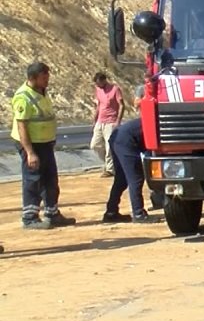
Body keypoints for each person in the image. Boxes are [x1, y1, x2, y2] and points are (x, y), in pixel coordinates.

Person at [11, 62, 75, 229]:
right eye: (44, 78)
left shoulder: (42, 92)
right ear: (33, 78)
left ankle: (52, 213)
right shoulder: (23, 97)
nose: (47, 81)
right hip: (31, 145)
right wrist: (30, 152)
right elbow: (22, 126)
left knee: (50, 179)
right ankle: (30, 217)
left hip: (45, 144)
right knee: (33, 179)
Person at [102, 110, 161, 224]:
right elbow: (151, 156)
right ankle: (138, 213)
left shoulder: (155, 122)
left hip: (117, 137)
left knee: (121, 179)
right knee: (136, 178)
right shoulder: (160, 126)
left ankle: (111, 213)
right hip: (125, 140)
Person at [90, 72, 126, 177]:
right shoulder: (98, 90)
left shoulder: (115, 89)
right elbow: (98, 105)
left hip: (111, 121)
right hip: (100, 121)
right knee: (94, 145)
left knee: (109, 146)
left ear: (104, 80)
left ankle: (110, 170)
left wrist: (118, 121)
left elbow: (122, 105)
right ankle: (111, 163)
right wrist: (94, 119)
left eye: (99, 83)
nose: (97, 85)